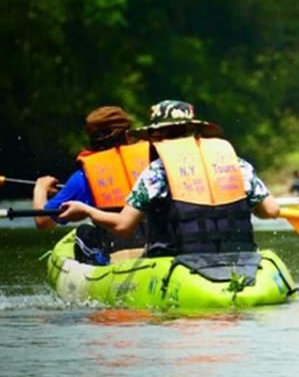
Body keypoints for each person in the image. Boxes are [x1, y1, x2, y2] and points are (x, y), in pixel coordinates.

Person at [56, 100, 281, 257]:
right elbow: (271, 211)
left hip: (180, 263)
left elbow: (123, 226)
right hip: (241, 259)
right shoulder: (235, 163)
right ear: (194, 131)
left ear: (156, 135)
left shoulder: (157, 173)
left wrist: (87, 211)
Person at [32, 106, 149, 264]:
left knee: (85, 232)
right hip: (155, 250)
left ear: (91, 138)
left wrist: (40, 188)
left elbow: (43, 222)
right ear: (128, 135)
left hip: (116, 256)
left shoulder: (84, 177)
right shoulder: (153, 165)